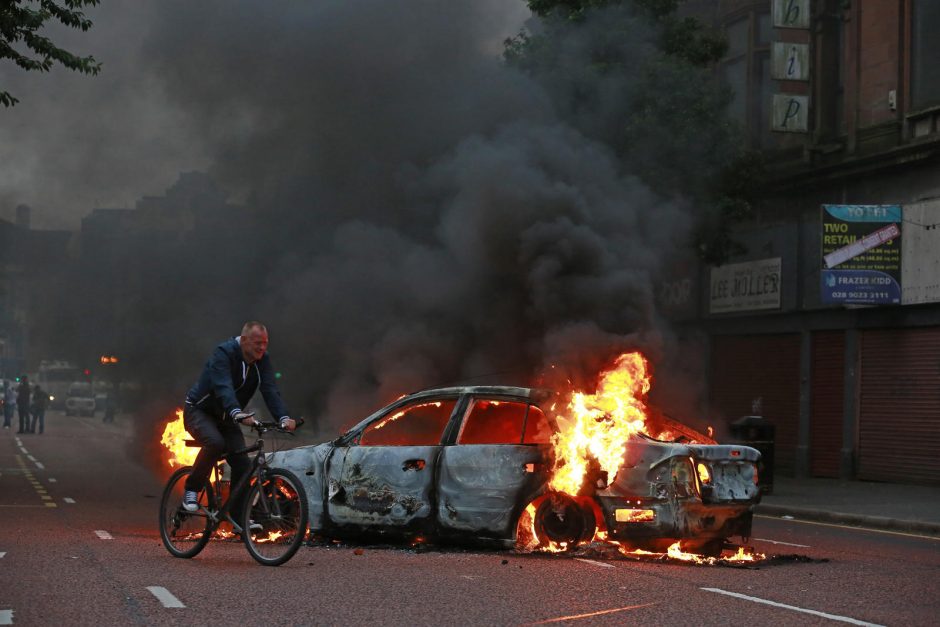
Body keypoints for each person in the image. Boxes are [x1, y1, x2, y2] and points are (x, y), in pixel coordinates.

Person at [181, 321, 295, 528]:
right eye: (257, 343)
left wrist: (283, 418)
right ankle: (191, 489)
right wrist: (237, 412)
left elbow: (270, 390)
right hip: (199, 411)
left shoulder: (262, 361)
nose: (262, 348)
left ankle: (238, 518)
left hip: (228, 417)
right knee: (215, 443)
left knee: (243, 464)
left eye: (265, 343)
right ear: (243, 340)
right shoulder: (223, 354)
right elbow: (223, 386)